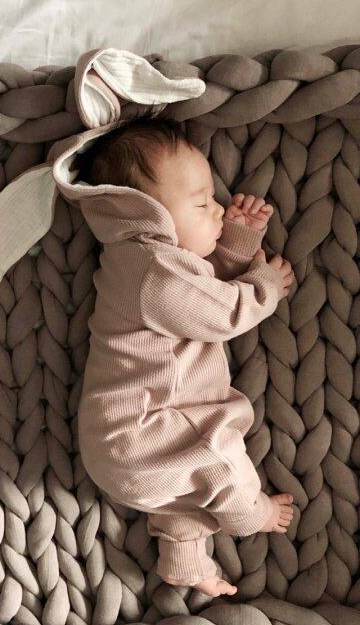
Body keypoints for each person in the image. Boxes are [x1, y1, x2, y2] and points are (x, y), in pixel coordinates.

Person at [65, 114, 296, 596]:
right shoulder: (150, 269)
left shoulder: (150, 261)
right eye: (202, 203)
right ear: (146, 214)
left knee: (182, 493)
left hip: (133, 442)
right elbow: (221, 312)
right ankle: (251, 514)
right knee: (216, 455)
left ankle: (184, 560)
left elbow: (200, 290)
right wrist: (265, 287)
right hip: (142, 428)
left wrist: (237, 240)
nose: (217, 209)